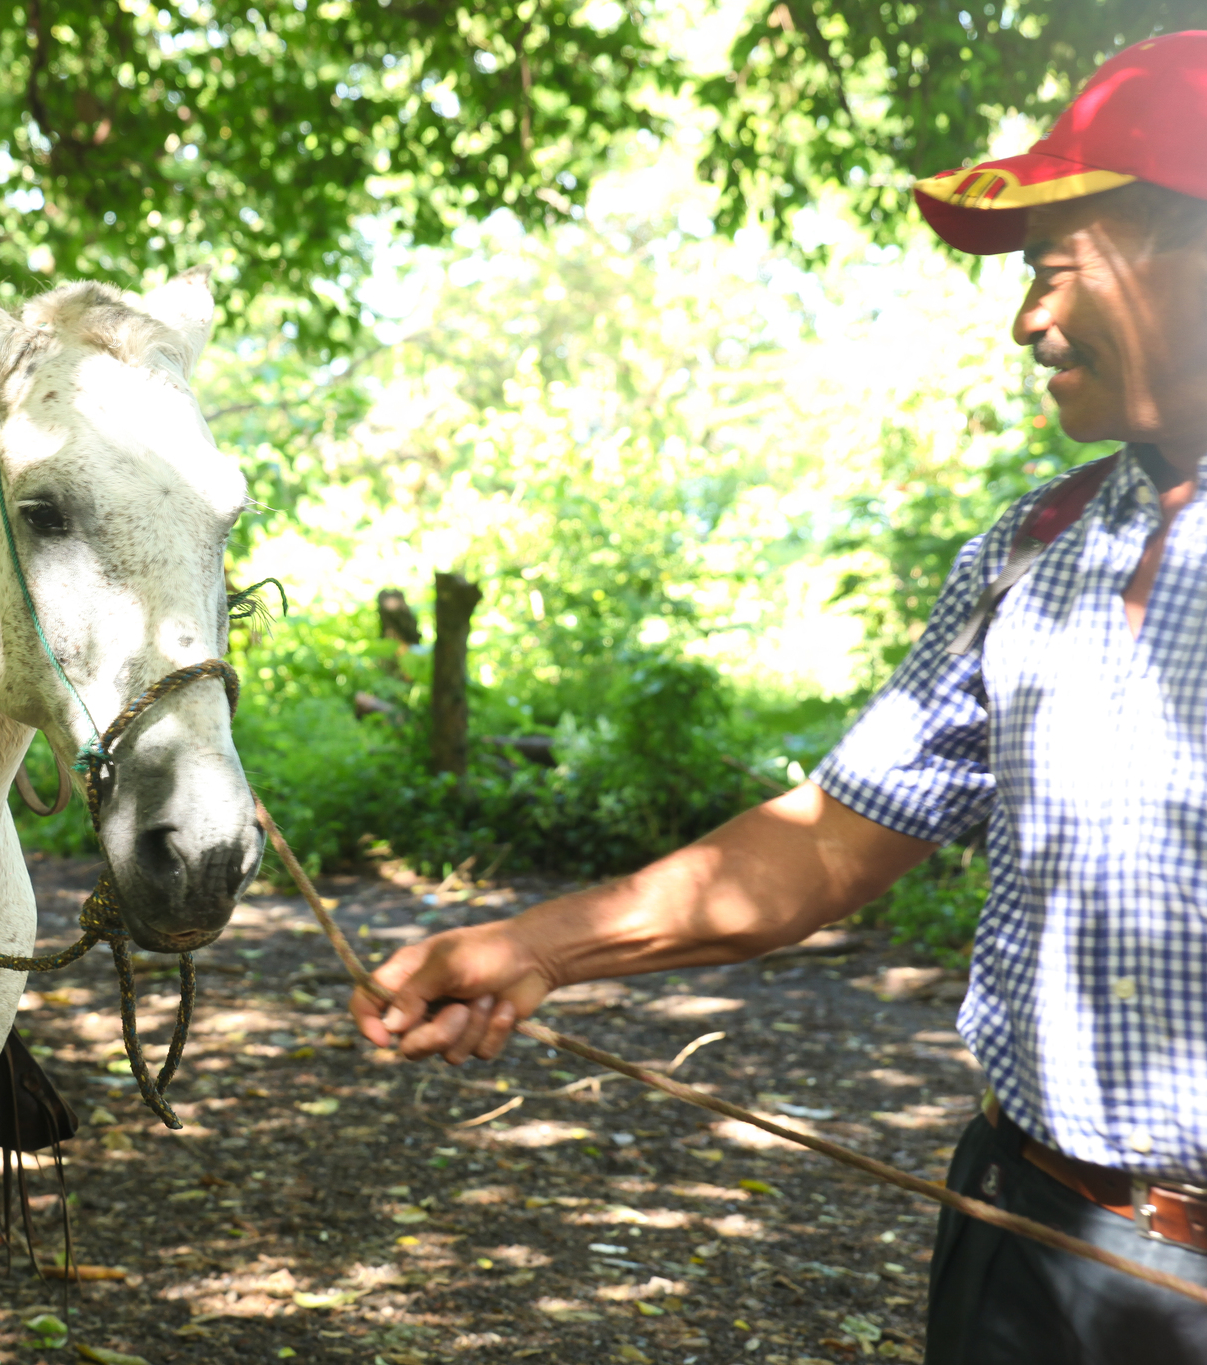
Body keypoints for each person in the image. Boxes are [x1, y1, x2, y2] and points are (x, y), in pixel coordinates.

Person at [349, 32, 1207, 1365]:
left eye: (1053, 268)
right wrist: (535, 945)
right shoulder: (1031, 549)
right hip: (1022, 1241)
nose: (1027, 322)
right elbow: (825, 843)